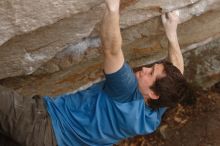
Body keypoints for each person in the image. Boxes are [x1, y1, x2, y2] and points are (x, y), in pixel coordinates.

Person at [0, 0, 194, 146]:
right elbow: (178, 73)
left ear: (153, 93)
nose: (144, 69)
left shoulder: (125, 90)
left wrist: (112, 8)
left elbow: (111, 50)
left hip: (42, 127)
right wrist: (172, 34)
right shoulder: (153, 115)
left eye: (150, 73)